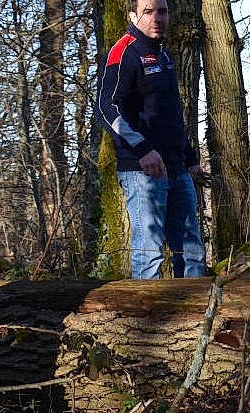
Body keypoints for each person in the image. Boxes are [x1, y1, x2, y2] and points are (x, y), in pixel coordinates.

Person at [96, 0, 207, 279]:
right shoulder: (124, 51)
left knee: (192, 251)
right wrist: (142, 148)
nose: (157, 18)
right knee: (150, 253)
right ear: (133, 15)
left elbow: (171, 115)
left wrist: (191, 159)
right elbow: (106, 108)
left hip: (177, 168)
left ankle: (197, 318)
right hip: (142, 170)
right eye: (148, 11)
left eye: (162, 11)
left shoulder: (164, 55)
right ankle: (145, 322)